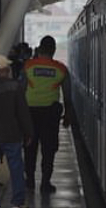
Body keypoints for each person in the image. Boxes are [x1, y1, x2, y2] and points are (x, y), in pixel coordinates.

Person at [0, 55, 33, 208]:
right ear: (7, 69)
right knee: (16, 168)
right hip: (11, 134)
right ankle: (17, 201)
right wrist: (28, 132)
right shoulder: (15, 87)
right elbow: (22, 112)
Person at [23, 35, 72, 193]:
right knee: (48, 149)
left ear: (40, 48)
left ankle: (30, 181)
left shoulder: (28, 66)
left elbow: (20, 90)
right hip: (50, 115)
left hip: (30, 113)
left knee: (30, 148)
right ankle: (45, 183)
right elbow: (68, 95)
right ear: (53, 50)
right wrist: (68, 116)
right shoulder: (61, 69)